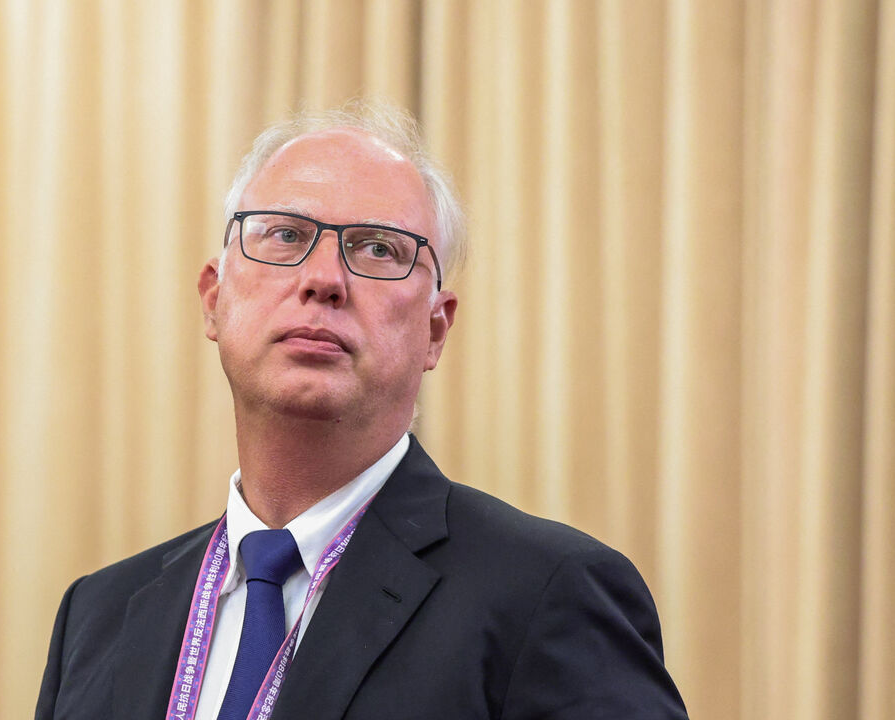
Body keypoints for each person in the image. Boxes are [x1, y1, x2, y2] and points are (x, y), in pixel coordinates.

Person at [35, 100, 689, 720]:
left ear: (436, 331)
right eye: (286, 234)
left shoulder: (551, 594)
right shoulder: (99, 615)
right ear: (213, 298)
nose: (323, 279)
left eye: (378, 248)